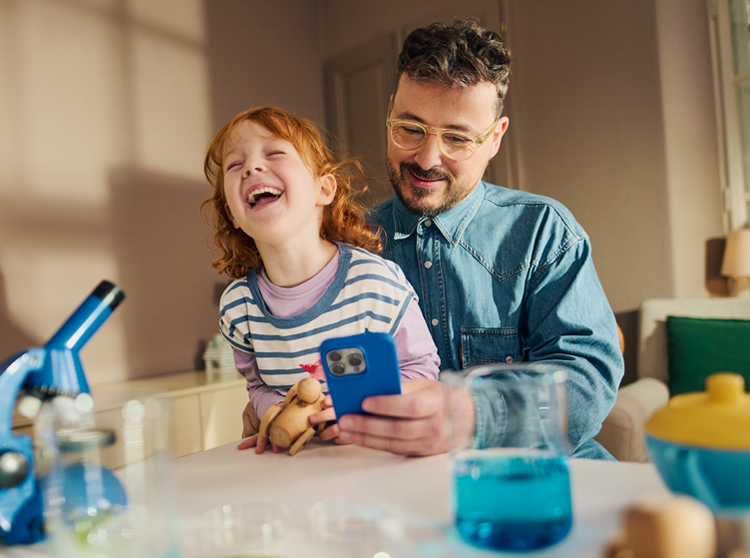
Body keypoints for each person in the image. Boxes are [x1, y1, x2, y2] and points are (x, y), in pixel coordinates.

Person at [312, 20, 624, 460]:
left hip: (538, 473)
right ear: (389, 113)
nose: (426, 158)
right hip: (387, 484)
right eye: (410, 128)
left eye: (457, 138)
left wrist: (474, 415)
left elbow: (588, 383)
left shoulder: (543, 232)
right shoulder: (345, 243)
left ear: (494, 139)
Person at [202, 106, 441, 454]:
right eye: (235, 165)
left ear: (324, 189)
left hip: (373, 458)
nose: (252, 167)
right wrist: (271, 411)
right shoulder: (237, 308)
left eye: (274, 153)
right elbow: (257, 386)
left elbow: (421, 368)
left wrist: (361, 415)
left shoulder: (375, 283)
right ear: (232, 215)